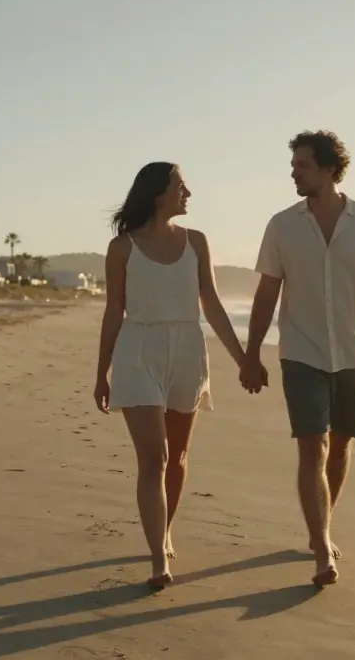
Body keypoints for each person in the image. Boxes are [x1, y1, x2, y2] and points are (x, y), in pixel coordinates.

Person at [239, 130, 355, 588]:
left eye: (302, 165)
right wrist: (251, 353)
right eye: (293, 165)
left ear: (330, 169)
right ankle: (323, 546)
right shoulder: (282, 226)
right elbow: (267, 292)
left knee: (342, 444)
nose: (294, 173)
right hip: (301, 351)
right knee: (313, 445)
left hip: (353, 352)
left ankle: (320, 525)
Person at [94, 161, 247, 590]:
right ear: (158, 192)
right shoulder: (122, 248)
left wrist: (243, 359)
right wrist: (101, 373)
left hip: (186, 351)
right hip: (137, 351)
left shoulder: (196, 242)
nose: (188, 193)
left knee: (177, 457)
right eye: (181, 185)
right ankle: (158, 559)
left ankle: (164, 531)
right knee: (154, 457)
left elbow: (211, 304)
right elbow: (113, 312)